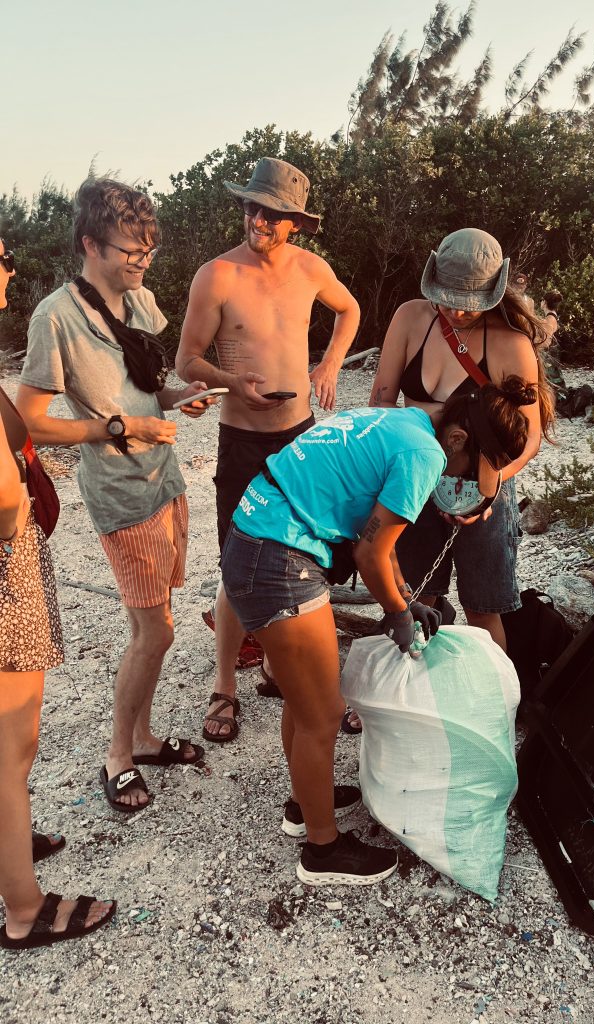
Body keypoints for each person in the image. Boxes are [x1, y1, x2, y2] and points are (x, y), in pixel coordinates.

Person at [220, 376, 533, 885]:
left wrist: (404, 597)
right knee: (322, 714)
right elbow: (369, 552)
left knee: (306, 702)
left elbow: (379, 545)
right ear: (457, 440)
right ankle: (322, 852)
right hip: (277, 559)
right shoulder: (425, 456)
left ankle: (305, 804)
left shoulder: (405, 423)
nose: (461, 478)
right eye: (471, 467)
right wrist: (398, 613)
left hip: (262, 537)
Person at [16, 179, 217, 814]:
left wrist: (180, 400)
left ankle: (146, 736)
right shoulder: (55, 316)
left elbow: (147, 392)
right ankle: (118, 757)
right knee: (155, 632)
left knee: (145, 624)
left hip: (164, 481)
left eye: (148, 251)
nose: (141, 262)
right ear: (90, 244)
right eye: (131, 251)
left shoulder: (140, 303)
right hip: (120, 494)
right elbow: (29, 422)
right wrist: (119, 427)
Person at [175, 157, 360, 743]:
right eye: (253, 207)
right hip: (243, 440)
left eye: (274, 213)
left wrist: (328, 364)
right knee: (237, 560)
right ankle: (223, 688)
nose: (259, 220)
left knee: (308, 555)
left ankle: (288, 674)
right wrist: (234, 386)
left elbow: (349, 309)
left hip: (300, 433)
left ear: (295, 223)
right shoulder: (217, 276)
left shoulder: (311, 268)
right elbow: (186, 361)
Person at [0, 236, 116, 949]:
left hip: (15, 560)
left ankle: (9, 845)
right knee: (9, 746)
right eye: (1, 254)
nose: (9, 266)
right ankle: (22, 907)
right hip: (4, 568)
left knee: (21, 739)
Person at [369, 228, 556, 651]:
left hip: (485, 478)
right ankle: (401, 694)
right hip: (414, 475)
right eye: (448, 298)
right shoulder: (410, 317)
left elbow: (529, 439)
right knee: (409, 597)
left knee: (482, 608)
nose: (455, 312)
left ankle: (494, 708)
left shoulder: (510, 343)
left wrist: (488, 493)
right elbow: (380, 402)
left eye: (469, 305)